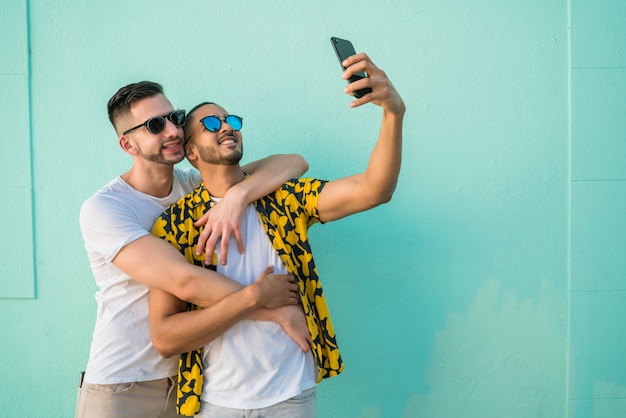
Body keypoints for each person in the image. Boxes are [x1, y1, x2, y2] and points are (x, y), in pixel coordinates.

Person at [150, 52, 405, 417]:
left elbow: (374, 189)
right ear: (190, 151)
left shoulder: (283, 198)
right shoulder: (176, 225)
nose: (226, 126)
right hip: (216, 402)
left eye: (231, 120)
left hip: (290, 396)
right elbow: (165, 337)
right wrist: (255, 298)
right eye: (211, 122)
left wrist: (393, 113)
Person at [76, 81, 310, 418]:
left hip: (189, 379)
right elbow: (185, 281)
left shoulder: (193, 185)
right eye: (155, 126)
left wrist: (237, 197)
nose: (172, 130)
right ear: (127, 143)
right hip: (124, 383)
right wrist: (273, 308)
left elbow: (292, 163)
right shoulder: (106, 208)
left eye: (175, 117)